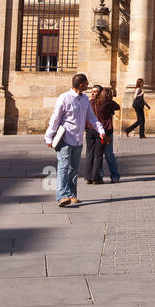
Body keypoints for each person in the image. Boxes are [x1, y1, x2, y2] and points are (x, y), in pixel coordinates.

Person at [45, 73, 102, 207]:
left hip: (78, 139)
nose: (88, 85)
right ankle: (62, 196)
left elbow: (92, 117)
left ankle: (72, 194)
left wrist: (101, 130)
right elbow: (55, 118)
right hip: (65, 137)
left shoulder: (84, 100)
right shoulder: (64, 98)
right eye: (86, 83)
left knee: (74, 169)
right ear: (81, 84)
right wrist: (49, 136)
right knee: (64, 167)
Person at [95, 86, 121, 182]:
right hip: (107, 130)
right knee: (109, 154)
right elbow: (117, 107)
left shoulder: (96, 103)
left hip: (97, 130)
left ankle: (99, 176)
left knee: (98, 154)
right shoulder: (109, 103)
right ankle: (115, 176)